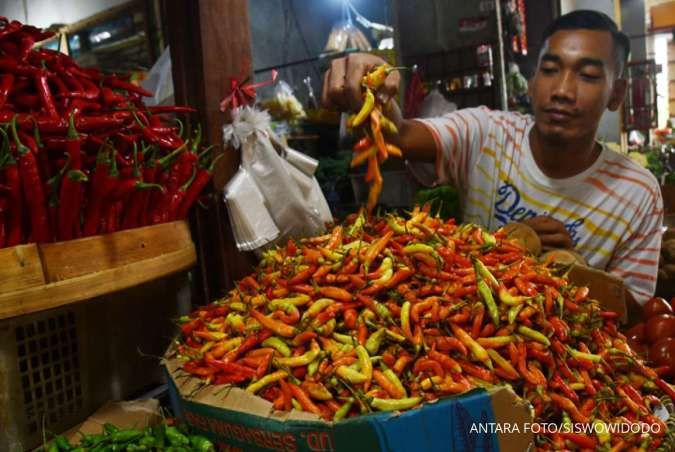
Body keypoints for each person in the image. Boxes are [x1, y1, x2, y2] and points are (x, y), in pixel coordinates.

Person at [321, 10, 663, 305]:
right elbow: (402, 136)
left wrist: (572, 271)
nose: (562, 91)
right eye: (549, 70)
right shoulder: (487, 133)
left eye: (587, 75)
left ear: (616, 94)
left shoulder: (637, 193)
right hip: (468, 339)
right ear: (531, 82)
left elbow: (634, 317)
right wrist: (372, 91)